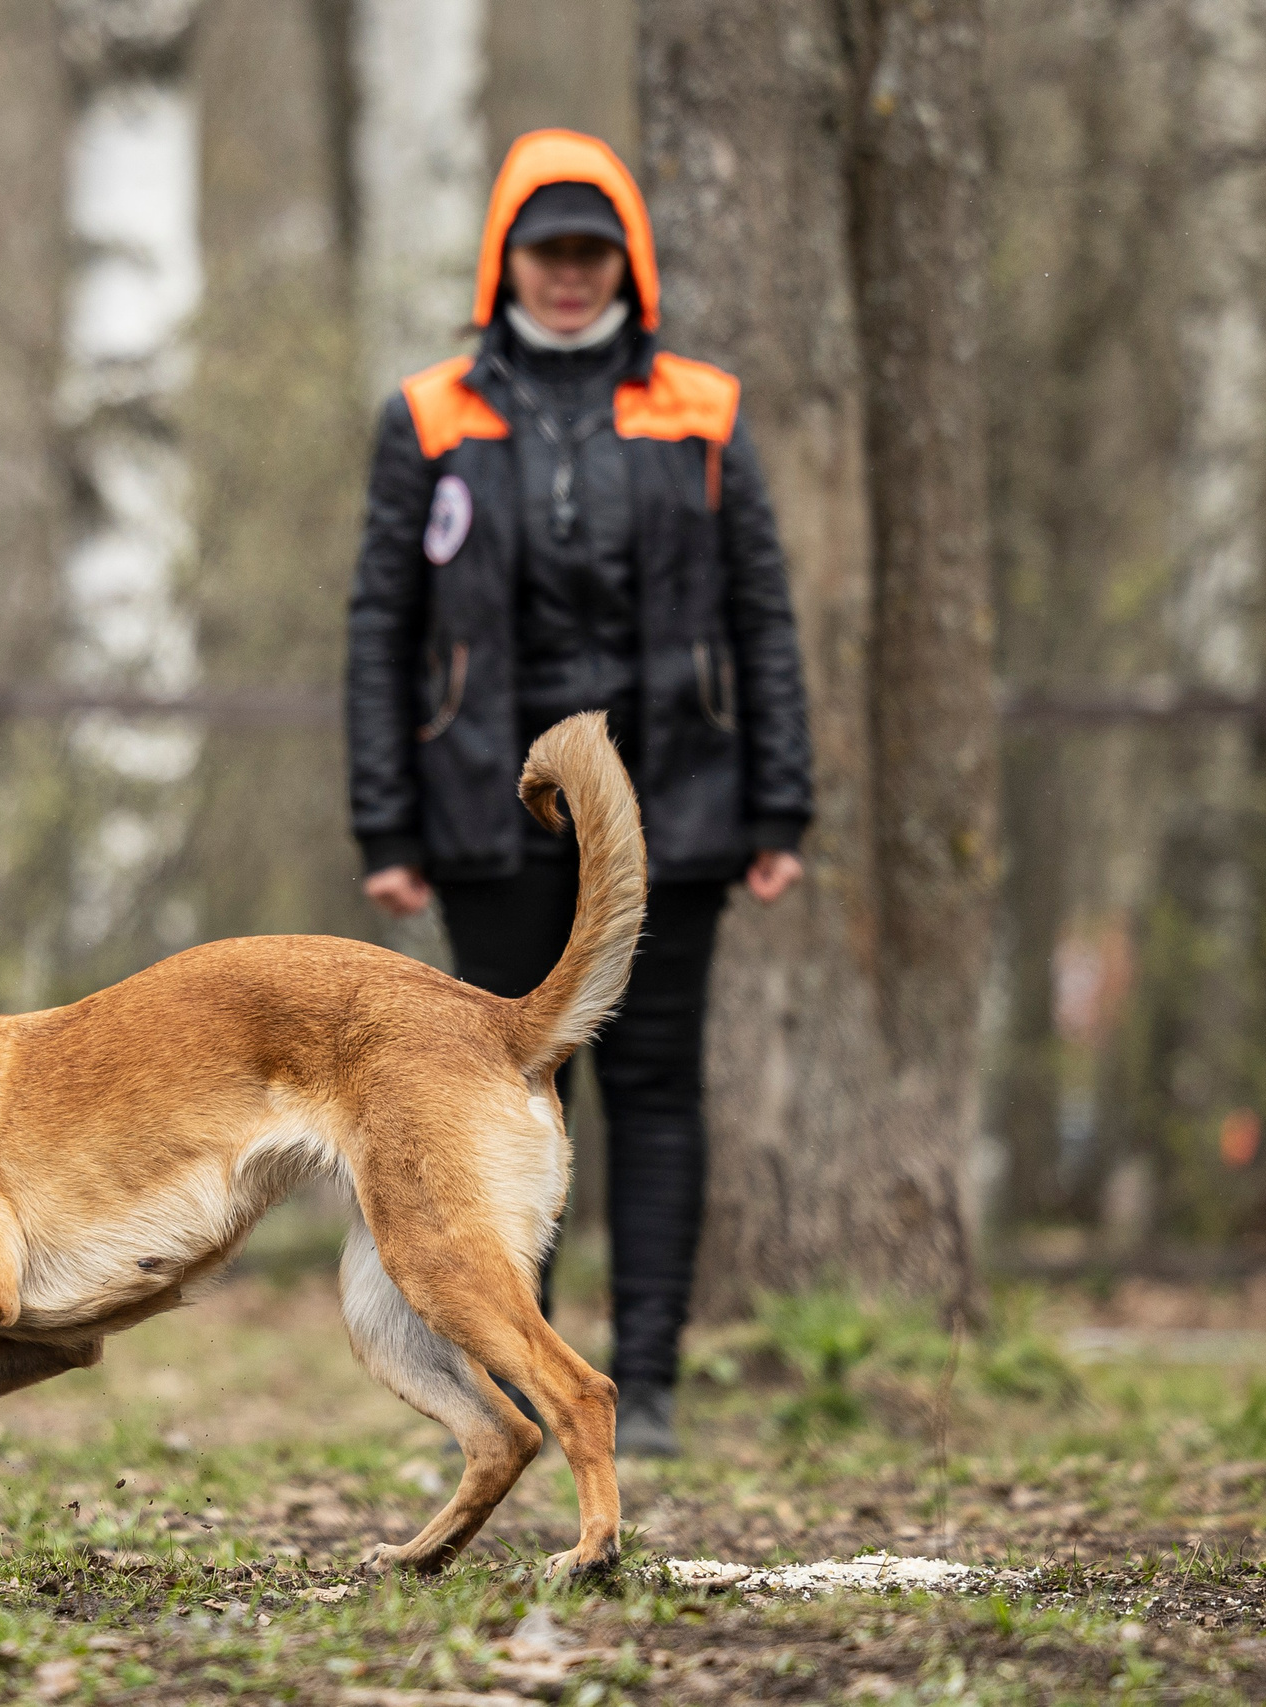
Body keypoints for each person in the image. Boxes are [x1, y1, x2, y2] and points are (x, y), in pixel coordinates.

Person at [345, 132, 814, 1459]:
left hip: (679, 811)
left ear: (628, 263)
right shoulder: (430, 416)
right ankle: (523, 1378)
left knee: (656, 1088)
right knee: (498, 1093)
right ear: (505, 260)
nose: (568, 273)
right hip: (484, 813)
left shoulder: (702, 413)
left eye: (590, 252)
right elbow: (382, 625)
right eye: (545, 251)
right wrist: (386, 820)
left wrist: (779, 807)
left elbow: (762, 617)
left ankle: (646, 1381)